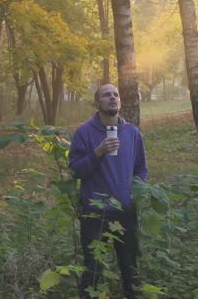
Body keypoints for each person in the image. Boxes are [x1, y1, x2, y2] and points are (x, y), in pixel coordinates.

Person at [69, 84, 147, 299]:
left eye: (116, 94)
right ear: (97, 103)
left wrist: (134, 192)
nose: (112, 97)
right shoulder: (84, 132)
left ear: (120, 101)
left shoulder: (132, 132)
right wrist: (98, 152)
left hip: (125, 210)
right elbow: (75, 170)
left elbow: (141, 167)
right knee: (93, 269)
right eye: (106, 95)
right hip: (95, 212)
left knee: (130, 267)